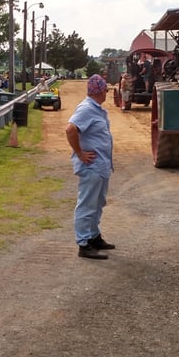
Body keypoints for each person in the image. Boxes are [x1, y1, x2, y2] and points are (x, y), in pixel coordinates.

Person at [64, 75, 115, 260]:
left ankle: (94, 236)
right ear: (100, 91)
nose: (107, 94)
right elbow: (70, 129)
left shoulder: (96, 109)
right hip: (91, 166)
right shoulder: (86, 109)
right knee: (87, 204)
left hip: (100, 166)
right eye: (106, 91)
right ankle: (83, 243)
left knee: (98, 203)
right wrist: (79, 152)